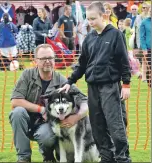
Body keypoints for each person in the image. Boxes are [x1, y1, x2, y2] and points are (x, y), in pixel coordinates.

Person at [59, 1, 131, 163]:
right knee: (97, 127)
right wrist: (70, 81)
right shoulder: (89, 38)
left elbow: (123, 61)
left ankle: (123, 159)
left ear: (103, 15)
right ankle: (107, 158)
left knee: (115, 126)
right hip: (92, 88)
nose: (90, 22)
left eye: (93, 19)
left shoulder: (115, 34)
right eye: (88, 19)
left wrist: (126, 84)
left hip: (110, 87)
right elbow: (83, 63)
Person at [9, 44, 88, 162]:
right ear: (36, 61)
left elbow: (84, 101)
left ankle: (48, 157)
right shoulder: (27, 75)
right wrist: (41, 109)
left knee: (48, 136)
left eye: (50, 58)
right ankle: (23, 158)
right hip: (26, 120)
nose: (47, 61)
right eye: (43, 58)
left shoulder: (62, 81)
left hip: (46, 125)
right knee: (17, 113)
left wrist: (77, 117)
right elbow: (15, 101)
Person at [140, 7, 151, 87]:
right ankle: (150, 84)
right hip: (149, 48)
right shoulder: (144, 22)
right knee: (150, 67)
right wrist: (144, 48)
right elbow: (142, 36)